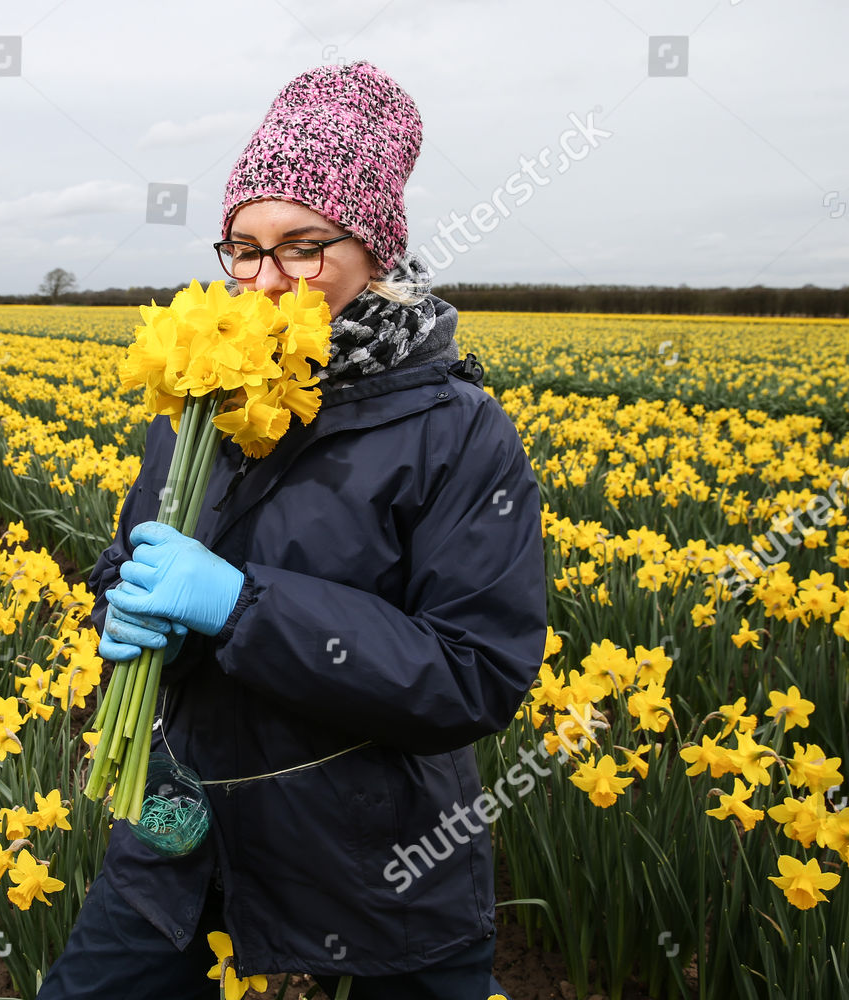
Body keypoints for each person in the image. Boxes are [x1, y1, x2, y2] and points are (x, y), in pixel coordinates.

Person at [37, 60, 547, 1000]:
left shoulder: (458, 430)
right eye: (243, 247)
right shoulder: (198, 396)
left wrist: (242, 607)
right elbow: (134, 554)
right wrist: (123, 608)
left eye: (303, 246)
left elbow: (476, 673)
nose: (265, 282)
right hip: (184, 831)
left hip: (380, 855)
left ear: (375, 252)